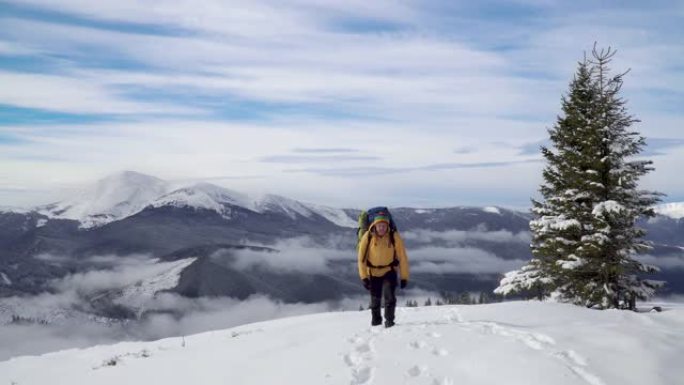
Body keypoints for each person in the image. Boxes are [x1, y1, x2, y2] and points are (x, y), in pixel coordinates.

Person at [357, 213, 409, 327]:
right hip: (373, 272)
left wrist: (404, 277)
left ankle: (389, 322)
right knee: (375, 300)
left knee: (389, 298)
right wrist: (364, 277)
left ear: (387, 226)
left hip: (389, 271)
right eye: (379, 225)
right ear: (374, 225)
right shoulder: (368, 236)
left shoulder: (394, 236)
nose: (382, 228)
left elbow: (402, 257)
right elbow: (361, 259)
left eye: (384, 226)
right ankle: (376, 322)